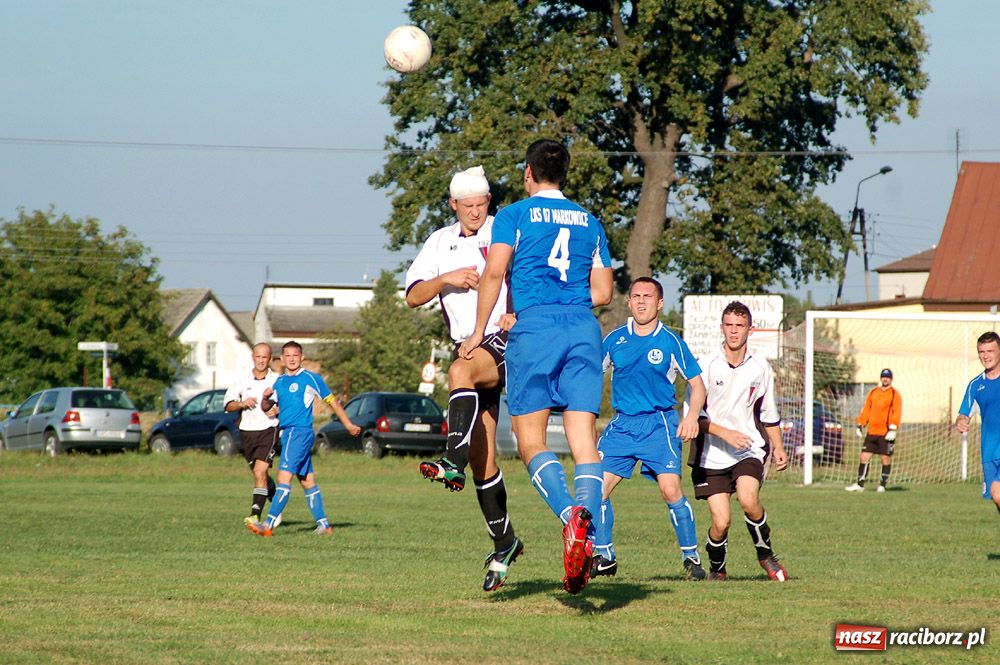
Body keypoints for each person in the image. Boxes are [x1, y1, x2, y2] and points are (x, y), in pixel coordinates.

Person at [458, 138, 613, 594]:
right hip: (584, 329)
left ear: (528, 173)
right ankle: (589, 526)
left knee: (530, 441)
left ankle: (570, 517)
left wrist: (478, 332)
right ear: (563, 173)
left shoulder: (513, 216)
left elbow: (492, 273)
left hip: (536, 329)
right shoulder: (590, 221)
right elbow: (603, 293)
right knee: (584, 440)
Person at [405, 165, 523, 592]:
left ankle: (449, 459)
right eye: (467, 206)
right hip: (469, 347)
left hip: (505, 341)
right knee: (484, 462)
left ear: (489, 202)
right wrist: (445, 279)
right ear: (453, 204)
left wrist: (517, 313)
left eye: (482, 204)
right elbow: (412, 295)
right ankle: (505, 543)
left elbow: (530, 278)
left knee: (458, 369)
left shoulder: (506, 228)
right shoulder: (440, 241)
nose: (476, 212)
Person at [592, 277, 708, 581]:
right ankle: (605, 556)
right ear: (629, 302)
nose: (641, 301)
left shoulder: (670, 341)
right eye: (636, 296)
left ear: (659, 303)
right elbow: (590, 374)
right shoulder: (614, 340)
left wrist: (692, 416)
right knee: (597, 490)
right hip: (622, 425)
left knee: (671, 491)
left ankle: (691, 558)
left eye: (648, 296)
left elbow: (697, 385)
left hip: (659, 425)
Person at [689, 301, 790, 582]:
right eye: (729, 325)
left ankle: (765, 554)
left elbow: (769, 414)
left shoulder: (760, 368)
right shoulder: (705, 365)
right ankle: (717, 568)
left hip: (748, 451)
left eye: (740, 326)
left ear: (750, 330)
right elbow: (692, 418)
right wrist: (725, 434)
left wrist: (779, 447)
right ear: (722, 328)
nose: (734, 332)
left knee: (748, 499)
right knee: (720, 523)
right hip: (710, 457)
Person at [246, 341, 361, 537]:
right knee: (307, 481)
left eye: (295, 355)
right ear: (281, 359)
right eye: (287, 355)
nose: (291, 359)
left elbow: (333, 402)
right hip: (289, 432)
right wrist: (265, 399)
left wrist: (348, 425)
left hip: (298, 432)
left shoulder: (310, 378)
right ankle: (324, 525)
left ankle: (268, 524)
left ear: (302, 358)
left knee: (283, 477)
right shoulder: (279, 382)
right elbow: (268, 408)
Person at [224, 342, 281, 527]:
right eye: (258, 357)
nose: (261, 361)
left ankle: (255, 515)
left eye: (265, 357)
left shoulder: (278, 380)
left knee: (260, 471)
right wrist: (241, 404)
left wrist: (278, 410)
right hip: (247, 431)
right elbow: (228, 405)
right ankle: (273, 497)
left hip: (269, 430)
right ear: (253, 357)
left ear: (270, 359)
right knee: (259, 476)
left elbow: (287, 404)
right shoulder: (242, 379)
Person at [955, 331, 1000, 516]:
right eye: (982, 352)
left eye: (990, 350)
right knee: (995, 497)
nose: (986, 356)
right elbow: (963, 413)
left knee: (997, 492)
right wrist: (961, 421)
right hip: (989, 452)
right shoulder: (975, 385)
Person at [846, 368, 902, 493]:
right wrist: (861, 424)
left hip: (886, 433)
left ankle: (882, 485)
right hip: (872, 432)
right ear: (881, 378)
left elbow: (896, 411)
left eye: (887, 377)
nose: (885, 379)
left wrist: (893, 428)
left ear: (891, 379)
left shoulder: (894, 394)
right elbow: (867, 409)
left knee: (885, 459)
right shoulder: (873, 392)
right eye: (883, 377)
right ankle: (860, 484)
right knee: (864, 457)